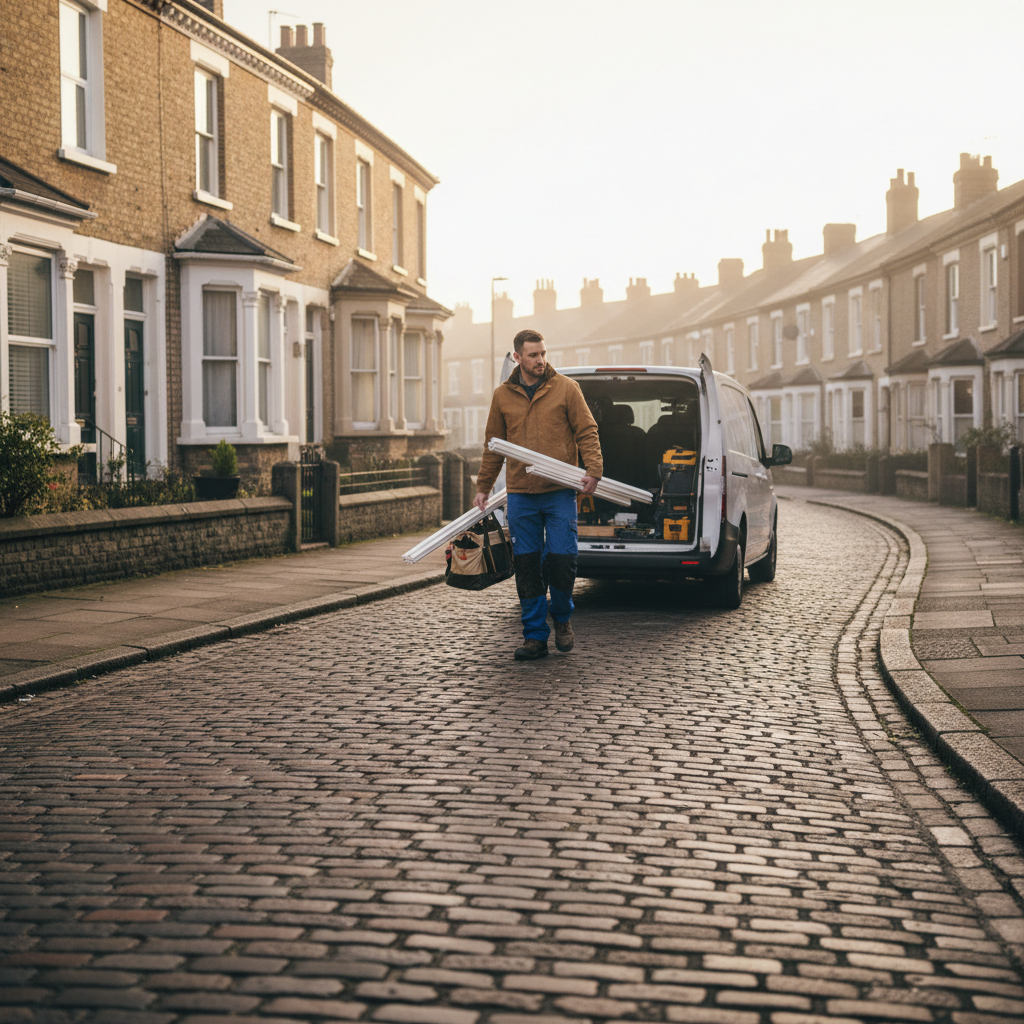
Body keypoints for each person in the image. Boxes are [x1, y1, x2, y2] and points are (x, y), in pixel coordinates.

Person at [474, 329, 603, 660]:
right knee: (528, 566)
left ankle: (561, 619)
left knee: (562, 561)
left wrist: (593, 470)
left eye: (543, 353)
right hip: (520, 494)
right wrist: (483, 487)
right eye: (533, 355)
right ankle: (534, 637)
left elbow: (586, 430)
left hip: (559, 491)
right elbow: (493, 445)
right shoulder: (502, 396)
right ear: (517, 357)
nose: (540, 360)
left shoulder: (566, 389)